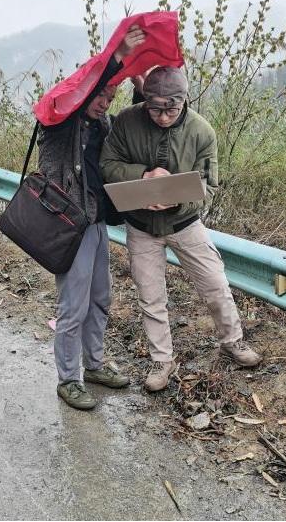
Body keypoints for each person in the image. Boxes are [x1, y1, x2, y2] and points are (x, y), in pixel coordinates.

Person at [100, 66, 262, 392]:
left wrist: (176, 201)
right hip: (141, 227)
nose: (162, 117)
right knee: (150, 297)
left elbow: (209, 185)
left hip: (185, 224)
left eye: (170, 110)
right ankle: (162, 361)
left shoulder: (202, 132)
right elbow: (107, 164)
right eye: (155, 109)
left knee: (215, 284)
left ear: (184, 100)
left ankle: (233, 341)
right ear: (146, 101)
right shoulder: (128, 121)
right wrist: (143, 176)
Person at [36, 25, 146, 410]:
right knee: (73, 305)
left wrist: (140, 88)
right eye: (100, 94)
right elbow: (75, 94)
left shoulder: (103, 125)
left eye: (110, 97)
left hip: (96, 224)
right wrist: (116, 58)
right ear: (86, 89)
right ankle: (69, 379)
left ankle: (94, 365)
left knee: (100, 298)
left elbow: (135, 130)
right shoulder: (59, 122)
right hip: (68, 225)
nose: (104, 102)